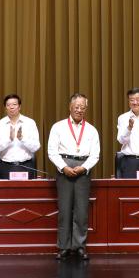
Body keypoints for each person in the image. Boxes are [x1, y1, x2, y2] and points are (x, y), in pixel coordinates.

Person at [46, 94, 100, 260]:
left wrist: (84, 167)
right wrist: (63, 167)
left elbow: (95, 154)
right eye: (76, 106)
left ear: (86, 109)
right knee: (64, 210)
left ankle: (79, 246)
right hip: (64, 167)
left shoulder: (91, 130)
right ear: (70, 107)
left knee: (81, 211)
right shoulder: (58, 127)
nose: (79, 110)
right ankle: (63, 246)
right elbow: (52, 151)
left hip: (83, 169)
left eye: (82, 107)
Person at [0, 94, 41, 179]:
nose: (11, 107)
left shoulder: (30, 123)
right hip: (6, 167)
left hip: (26, 166)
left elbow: (36, 147)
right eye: (8, 105)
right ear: (5, 108)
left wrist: (22, 139)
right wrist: (9, 139)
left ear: (19, 107)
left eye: (14, 104)